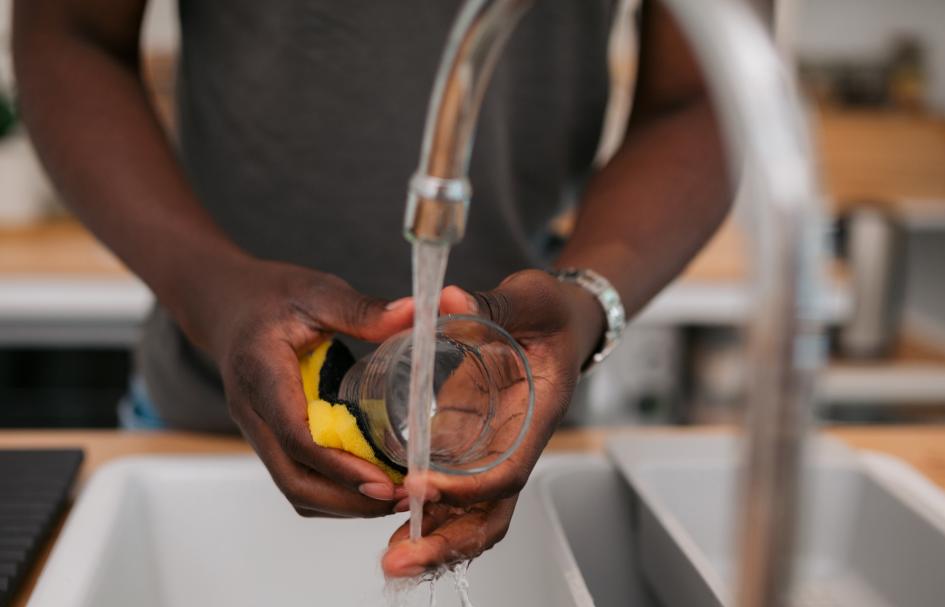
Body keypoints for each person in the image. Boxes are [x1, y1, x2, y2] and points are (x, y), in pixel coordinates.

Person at [12, 0, 728, 577]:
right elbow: (66, 32)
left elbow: (707, 92)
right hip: (199, 426)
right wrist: (212, 292)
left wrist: (583, 302)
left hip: (509, 435)